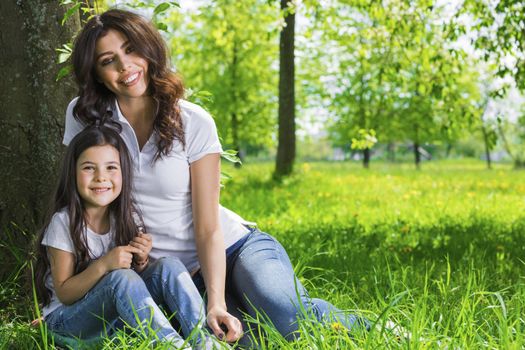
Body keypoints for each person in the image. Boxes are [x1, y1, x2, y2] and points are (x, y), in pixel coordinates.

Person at [63, 9, 368, 346]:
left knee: (289, 321)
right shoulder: (85, 117)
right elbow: (77, 207)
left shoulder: (193, 121)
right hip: (167, 274)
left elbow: (209, 227)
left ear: (148, 49)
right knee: (251, 341)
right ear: (97, 74)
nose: (125, 66)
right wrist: (60, 296)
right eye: (109, 60)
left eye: (131, 49)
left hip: (232, 249)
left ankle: (354, 323)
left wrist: (216, 303)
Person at [33, 125, 212, 348]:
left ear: (123, 173)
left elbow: (129, 290)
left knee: (169, 266)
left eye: (111, 168)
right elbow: (66, 293)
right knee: (120, 278)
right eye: (89, 168)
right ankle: (174, 346)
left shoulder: (125, 218)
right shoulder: (64, 222)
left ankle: (206, 342)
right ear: (73, 173)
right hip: (66, 320)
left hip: (111, 316)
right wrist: (104, 265)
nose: (101, 177)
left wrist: (141, 261)